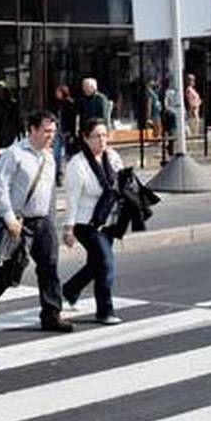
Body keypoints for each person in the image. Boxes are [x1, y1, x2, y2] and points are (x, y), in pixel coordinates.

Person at [0, 109, 71, 332]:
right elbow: (1, 188)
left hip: (43, 221)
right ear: (32, 130)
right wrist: (9, 218)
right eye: (46, 131)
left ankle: (51, 314)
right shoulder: (14, 153)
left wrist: (51, 218)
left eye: (53, 132)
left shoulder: (49, 157)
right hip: (19, 222)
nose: (51, 136)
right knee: (11, 270)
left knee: (49, 267)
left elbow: (50, 192)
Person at [62, 117, 124, 325]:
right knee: (106, 263)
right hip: (85, 223)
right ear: (85, 138)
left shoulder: (112, 157)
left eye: (105, 135)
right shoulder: (77, 164)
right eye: (97, 136)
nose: (102, 140)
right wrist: (68, 228)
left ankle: (71, 289)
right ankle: (105, 310)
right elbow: (72, 199)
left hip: (107, 221)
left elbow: (120, 185)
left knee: (96, 264)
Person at [53, 84, 78, 182]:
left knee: (68, 155)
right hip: (58, 131)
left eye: (58, 92)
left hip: (67, 132)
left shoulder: (70, 103)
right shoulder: (57, 103)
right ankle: (58, 173)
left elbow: (73, 120)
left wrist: (71, 133)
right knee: (57, 154)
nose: (56, 94)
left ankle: (72, 173)